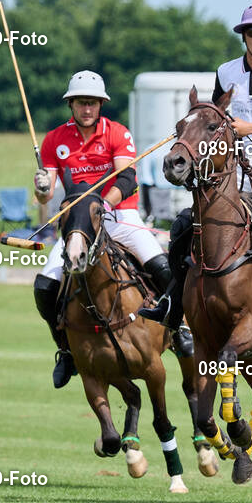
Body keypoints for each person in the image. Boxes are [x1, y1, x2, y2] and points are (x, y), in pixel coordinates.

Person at [141, 4, 252, 331]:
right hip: (230, 173)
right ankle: (172, 300)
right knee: (183, 224)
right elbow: (215, 117)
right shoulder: (225, 72)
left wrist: (251, 127)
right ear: (244, 37)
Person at [33, 70, 192, 389]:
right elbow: (46, 194)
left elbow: (127, 178)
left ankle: (182, 327)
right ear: (71, 104)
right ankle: (66, 350)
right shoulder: (54, 140)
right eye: (81, 102)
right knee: (45, 286)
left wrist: (102, 206)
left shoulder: (117, 133)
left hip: (119, 215)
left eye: (92, 102)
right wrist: (40, 187)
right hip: (78, 225)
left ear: (101, 104)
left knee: (162, 267)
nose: (87, 108)